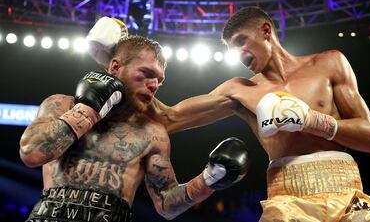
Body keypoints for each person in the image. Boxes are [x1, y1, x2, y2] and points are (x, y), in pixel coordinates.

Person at [149, 6, 370, 222]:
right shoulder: (240, 91)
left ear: (266, 31)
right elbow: (169, 118)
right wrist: (119, 68)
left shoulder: (329, 64)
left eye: (242, 41)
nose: (240, 54)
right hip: (287, 202)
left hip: (346, 197)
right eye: (233, 49)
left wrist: (313, 121)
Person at [19, 26, 250, 221]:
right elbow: (32, 153)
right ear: (115, 67)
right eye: (146, 73)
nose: (154, 85)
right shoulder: (61, 105)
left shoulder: (152, 133)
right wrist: (87, 108)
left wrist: (208, 180)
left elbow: (166, 204)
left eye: (159, 79)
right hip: (50, 213)